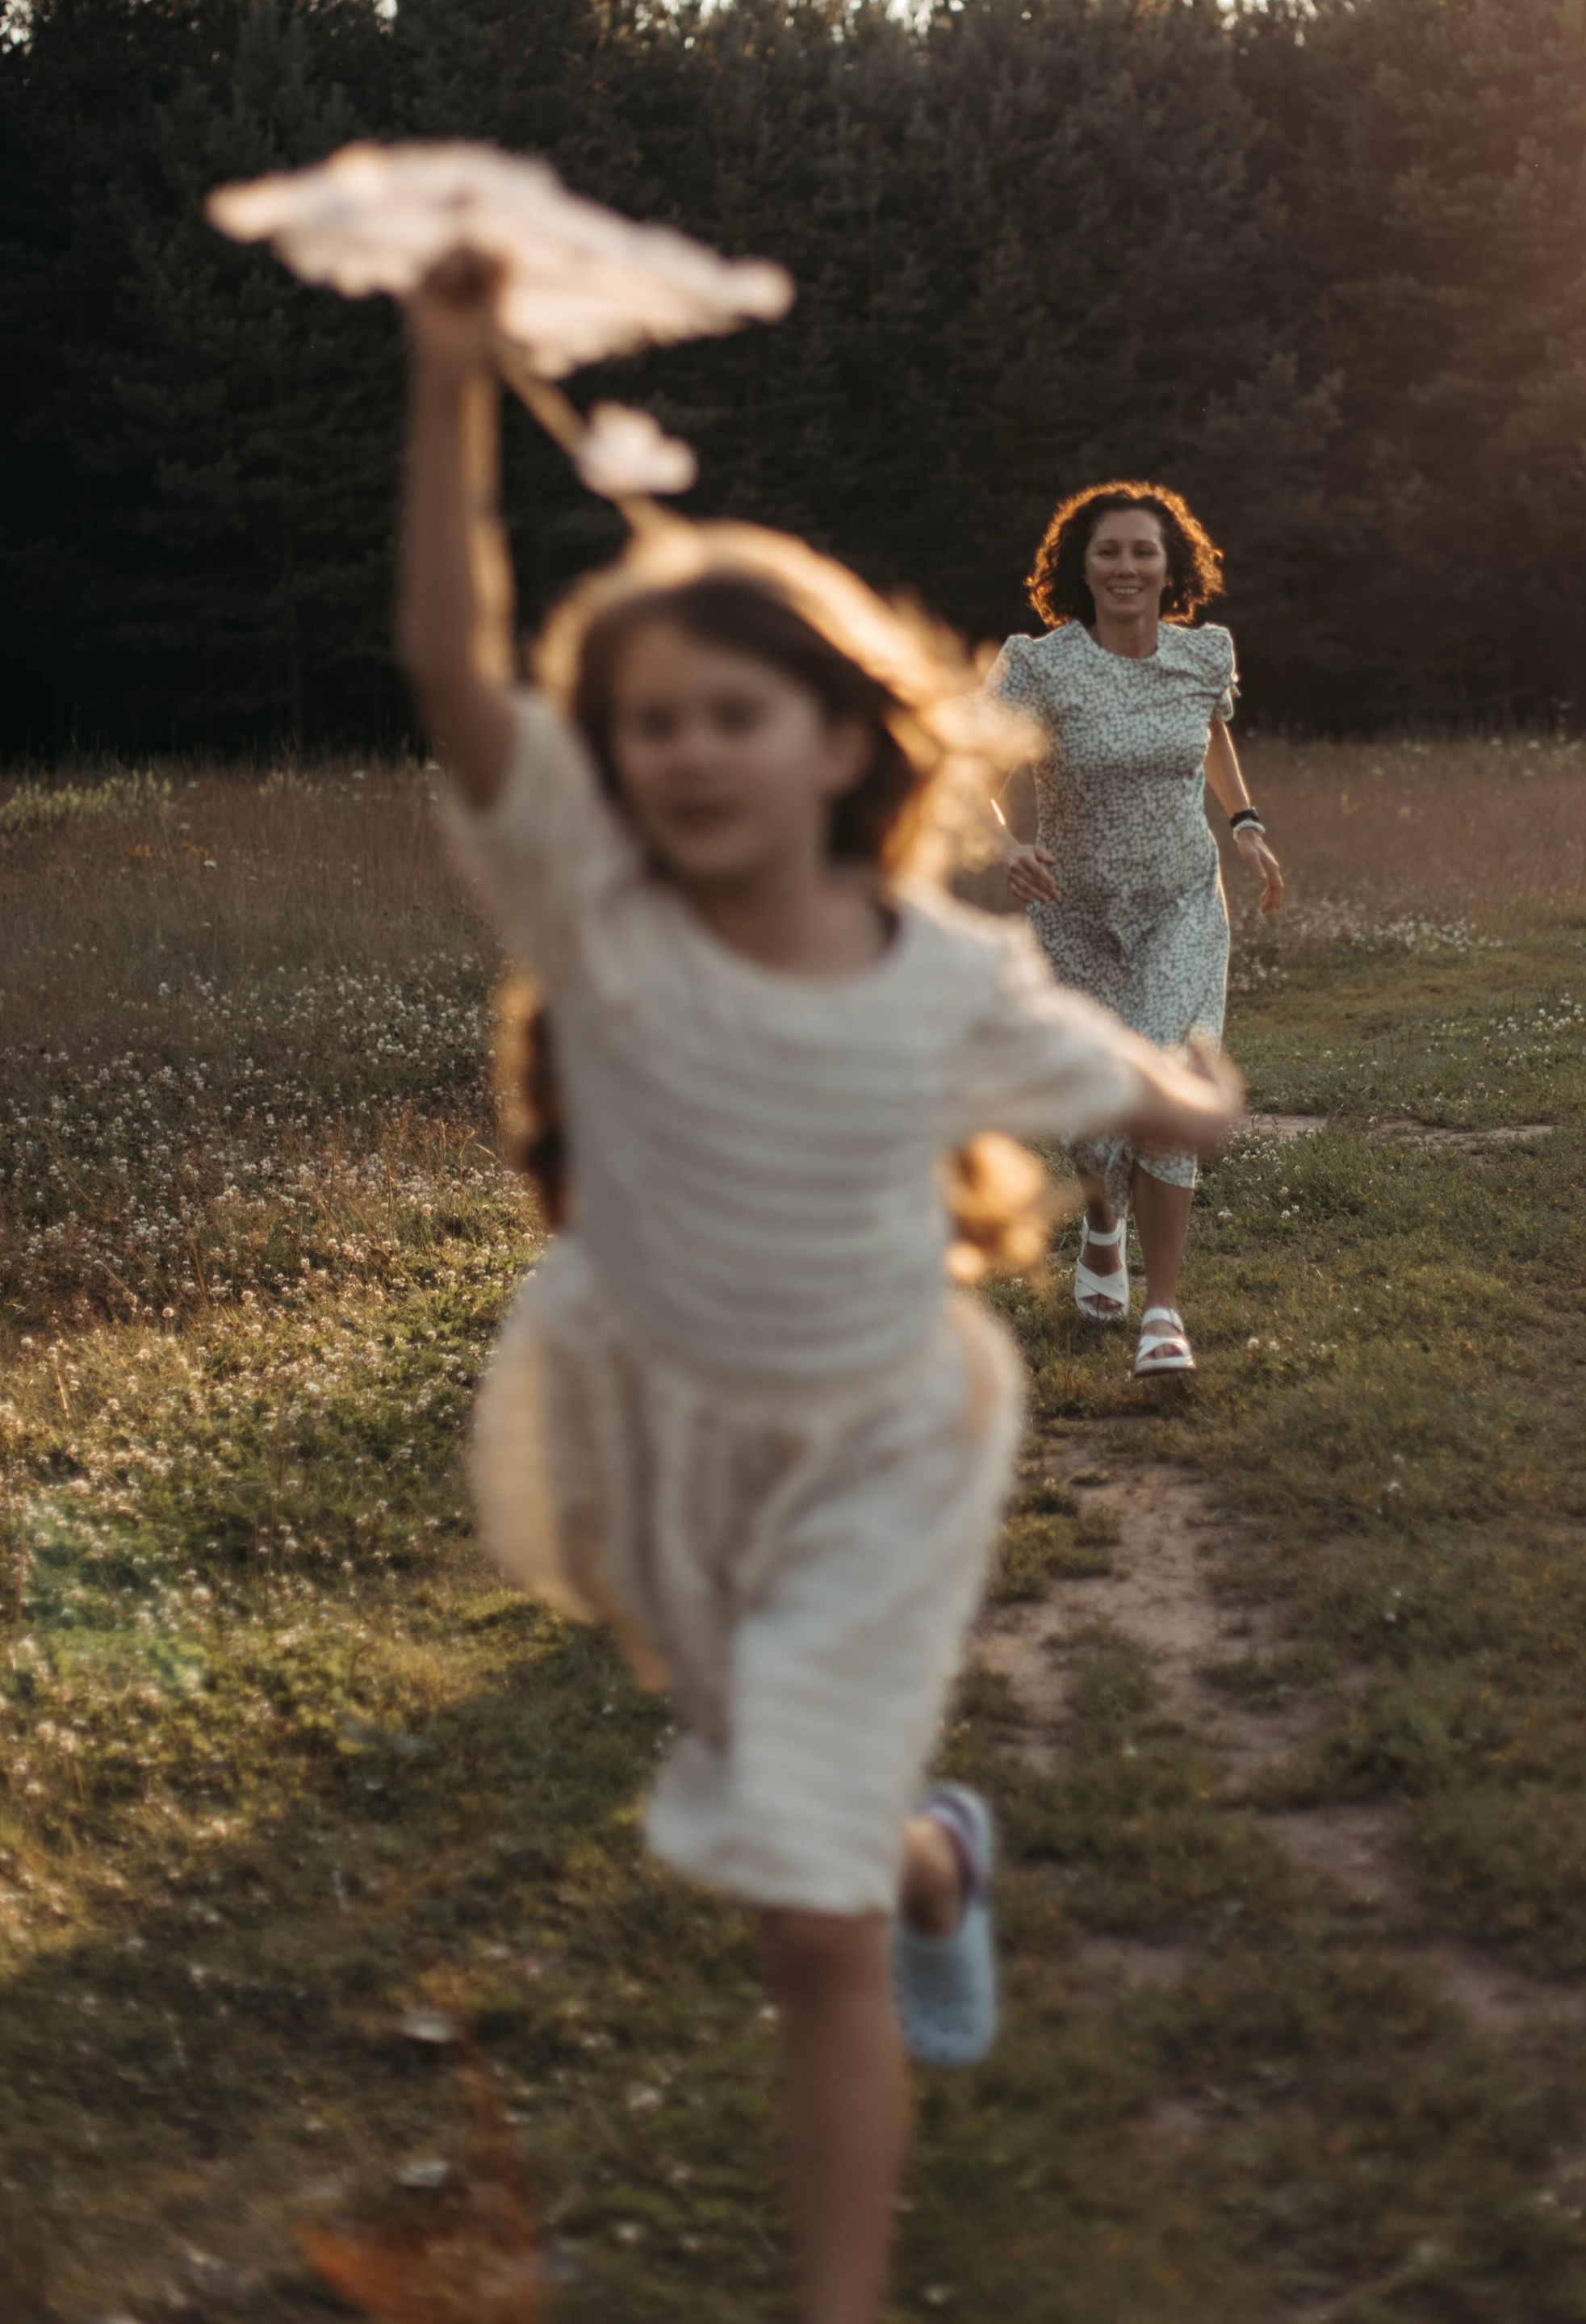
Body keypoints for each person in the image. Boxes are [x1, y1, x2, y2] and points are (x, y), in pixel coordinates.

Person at [395, 254, 1243, 2324]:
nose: (682, 749)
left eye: (728, 714)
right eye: (645, 721)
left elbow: (1149, 1092)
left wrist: (1180, 1090)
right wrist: (443, 386)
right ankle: (938, 1852)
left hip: (878, 1439)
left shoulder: (933, 968)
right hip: (657, 1440)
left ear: (832, 744)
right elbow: (452, 661)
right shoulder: (593, 910)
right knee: (819, 1821)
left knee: (796, 1902)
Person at [987, 483, 1283, 1378]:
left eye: (1142, 550)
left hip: (1180, 902)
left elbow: (1213, 736)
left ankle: (1164, 1314)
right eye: (1108, 551)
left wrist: (1245, 825)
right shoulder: (1037, 667)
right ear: (1080, 566)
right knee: (1095, 1108)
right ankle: (1102, 1225)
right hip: (1072, 914)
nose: (1125, 566)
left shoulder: (1204, 655)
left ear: (1171, 565)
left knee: (1164, 1085)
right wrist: (1005, 845)